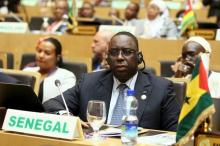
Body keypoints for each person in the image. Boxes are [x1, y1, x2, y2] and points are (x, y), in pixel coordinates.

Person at [43, 31, 180, 131]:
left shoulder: (161, 88)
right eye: (114, 52)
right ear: (107, 59)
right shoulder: (89, 82)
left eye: (127, 52)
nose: (120, 57)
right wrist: (67, 116)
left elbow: (175, 133)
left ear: (139, 57)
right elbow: (52, 104)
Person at [23, 37, 76, 103]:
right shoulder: (27, 71)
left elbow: (65, 102)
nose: (41, 55)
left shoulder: (66, 76)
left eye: (47, 53)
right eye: (39, 51)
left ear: (58, 57)